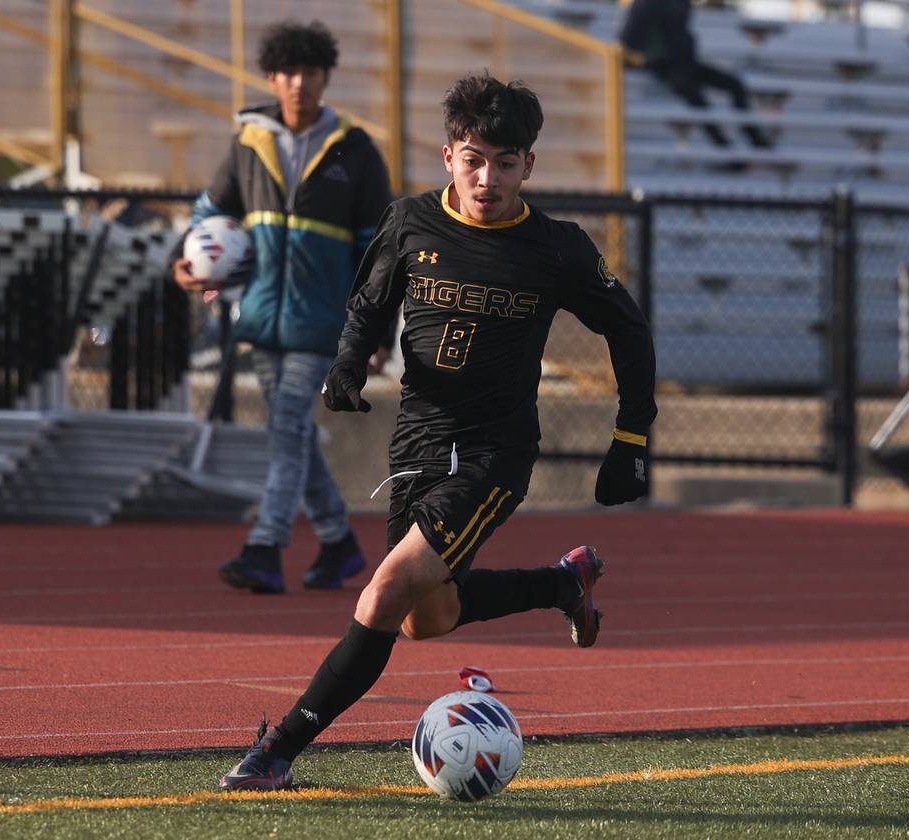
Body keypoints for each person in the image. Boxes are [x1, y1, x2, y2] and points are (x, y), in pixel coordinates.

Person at [218, 72, 657, 791]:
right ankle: (561, 583)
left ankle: (281, 749)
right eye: (474, 158)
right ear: (448, 155)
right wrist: (348, 365)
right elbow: (368, 302)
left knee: (383, 592)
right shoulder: (411, 222)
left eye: (506, 163)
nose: (489, 178)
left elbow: (630, 332)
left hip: (494, 452)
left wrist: (631, 438)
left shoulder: (558, 248)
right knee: (429, 618)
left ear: (528, 166)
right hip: (417, 444)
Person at [173, 20, 394, 595]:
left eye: (310, 72)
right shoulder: (249, 142)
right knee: (290, 435)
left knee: (288, 427)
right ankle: (339, 543)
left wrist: (377, 335)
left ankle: (265, 546)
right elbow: (208, 215)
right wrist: (190, 264)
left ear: (325, 77)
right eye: (288, 72)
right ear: (271, 76)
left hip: (325, 325)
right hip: (264, 319)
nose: (299, 83)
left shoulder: (357, 150)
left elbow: (381, 254)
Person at [620, 0, 770, 150]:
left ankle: (757, 142)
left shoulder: (682, 4)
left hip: (687, 63)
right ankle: (724, 147)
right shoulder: (646, 4)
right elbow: (629, 39)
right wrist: (645, 61)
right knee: (697, 97)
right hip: (663, 66)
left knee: (735, 85)